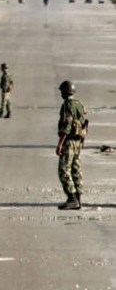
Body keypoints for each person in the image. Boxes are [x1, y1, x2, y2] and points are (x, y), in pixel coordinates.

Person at [56, 80, 87, 210]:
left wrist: (60, 144)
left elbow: (67, 126)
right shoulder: (79, 104)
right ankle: (78, 197)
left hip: (69, 141)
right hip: (78, 141)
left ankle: (71, 197)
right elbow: (84, 123)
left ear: (64, 92)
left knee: (63, 169)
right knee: (76, 169)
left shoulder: (67, 105)